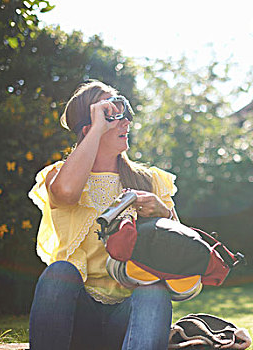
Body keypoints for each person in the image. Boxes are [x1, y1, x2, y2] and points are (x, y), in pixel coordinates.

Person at [28, 80, 179, 350]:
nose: (126, 121)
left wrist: (163, 211)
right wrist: (97, 129)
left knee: (153, 291)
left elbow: (181, 253)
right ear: (88, 127)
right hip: (78, 317)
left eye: (125, 112)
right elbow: (65, 193)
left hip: (127, 318)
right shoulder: (59, 175)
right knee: (59, 272)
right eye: (113, 113)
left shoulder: (152, 181)